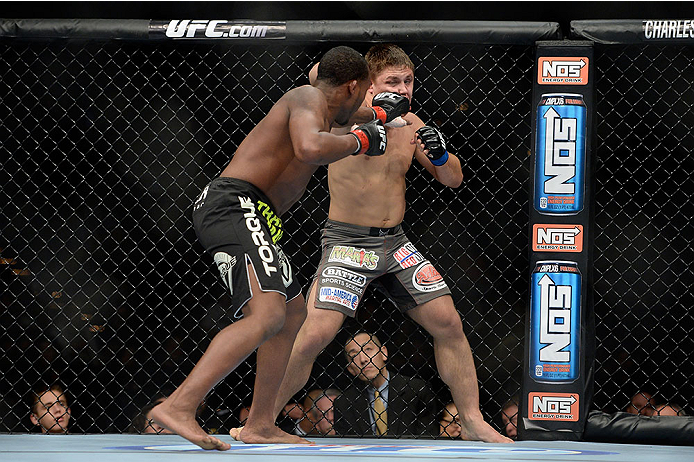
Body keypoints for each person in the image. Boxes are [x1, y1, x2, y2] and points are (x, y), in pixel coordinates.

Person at [236, 43, 511, 443]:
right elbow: (316, 76)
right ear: (366, 86)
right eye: (392, 82)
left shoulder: (412, 125)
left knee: (449, 323)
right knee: (313, 334)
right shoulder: (337, 120)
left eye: (409, 81)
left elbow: (453, 179)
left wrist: (440, 154)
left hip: (395, 243)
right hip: (348, 243)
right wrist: (370, 103)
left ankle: (471, 419)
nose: (403, 89)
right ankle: (261, 422)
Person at [150, 45, 400, 450]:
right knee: (267, 314)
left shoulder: (324, 105)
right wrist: (360, 140)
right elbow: (310, 148)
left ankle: (261, 423)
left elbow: (358, 117)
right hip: (234, 203)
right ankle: (180, 405)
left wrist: (384, 115)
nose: (364, 103)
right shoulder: (306, 99)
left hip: (258, 214)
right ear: (353, 85)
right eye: (366, 92)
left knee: (292, 313)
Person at [332, 332, 437, 437]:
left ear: (383, 353)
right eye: (354, 355)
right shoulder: (344, 403)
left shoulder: (416, 390)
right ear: (351, 369)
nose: (363, 359)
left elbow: (428, 439)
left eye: (368, 349)